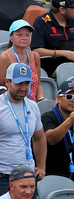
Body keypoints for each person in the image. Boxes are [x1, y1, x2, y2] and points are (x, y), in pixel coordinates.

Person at [0, 63, 44, 191]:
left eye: (27, 83)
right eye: (19, 83)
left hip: (28, 175)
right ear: (7, 82)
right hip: (4, 176)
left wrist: (41, 165)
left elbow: (39, 138)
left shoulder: (33, 106)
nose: (24, 88)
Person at [41, 80, 74, 185]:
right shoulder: (48, 117)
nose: (73, 100)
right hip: (52, 176)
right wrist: (69, 121)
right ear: (58, 99)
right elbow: (50, 139)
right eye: (69, 97)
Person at [32, 0, 74, 78]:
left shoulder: (73, 21)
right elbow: (36, 51)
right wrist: (64, 53)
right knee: (71, 72)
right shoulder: (42, 22)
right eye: (73, 7)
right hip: (54, 68)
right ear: (62, 10)